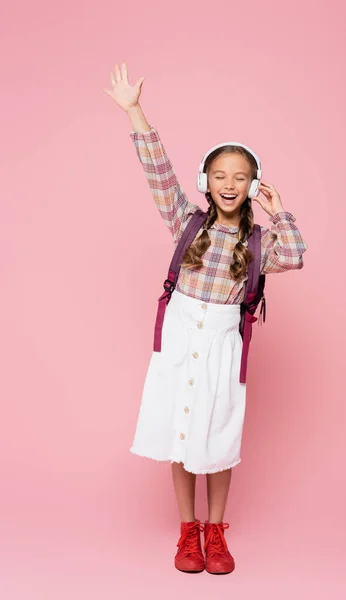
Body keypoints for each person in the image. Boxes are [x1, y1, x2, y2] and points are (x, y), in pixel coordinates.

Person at [103, 61, 308, 575]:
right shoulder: (185, 221)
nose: (230, 184)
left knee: (216, 438)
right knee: (181, 432)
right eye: (220, 176)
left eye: (241, 177)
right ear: (206, 182)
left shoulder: (258, 242)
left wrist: (280, 209)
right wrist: (135, 112)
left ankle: (216, 532)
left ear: (253, 184)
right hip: (179, 341)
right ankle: (187, 531)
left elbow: (297, 254)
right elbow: (158, 172)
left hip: (223, 347)